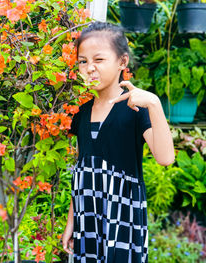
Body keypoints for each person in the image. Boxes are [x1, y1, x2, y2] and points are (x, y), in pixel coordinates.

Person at [62, 22, 175, 263]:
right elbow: (82, 169)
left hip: (123, 218)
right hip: (87, 217)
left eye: (99, 60)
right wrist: (72, 221)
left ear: (122, 62)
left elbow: (165, 158)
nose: (90, 68)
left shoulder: (136, 108)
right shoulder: (81, 113)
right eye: (83, 61)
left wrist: (154, 103)